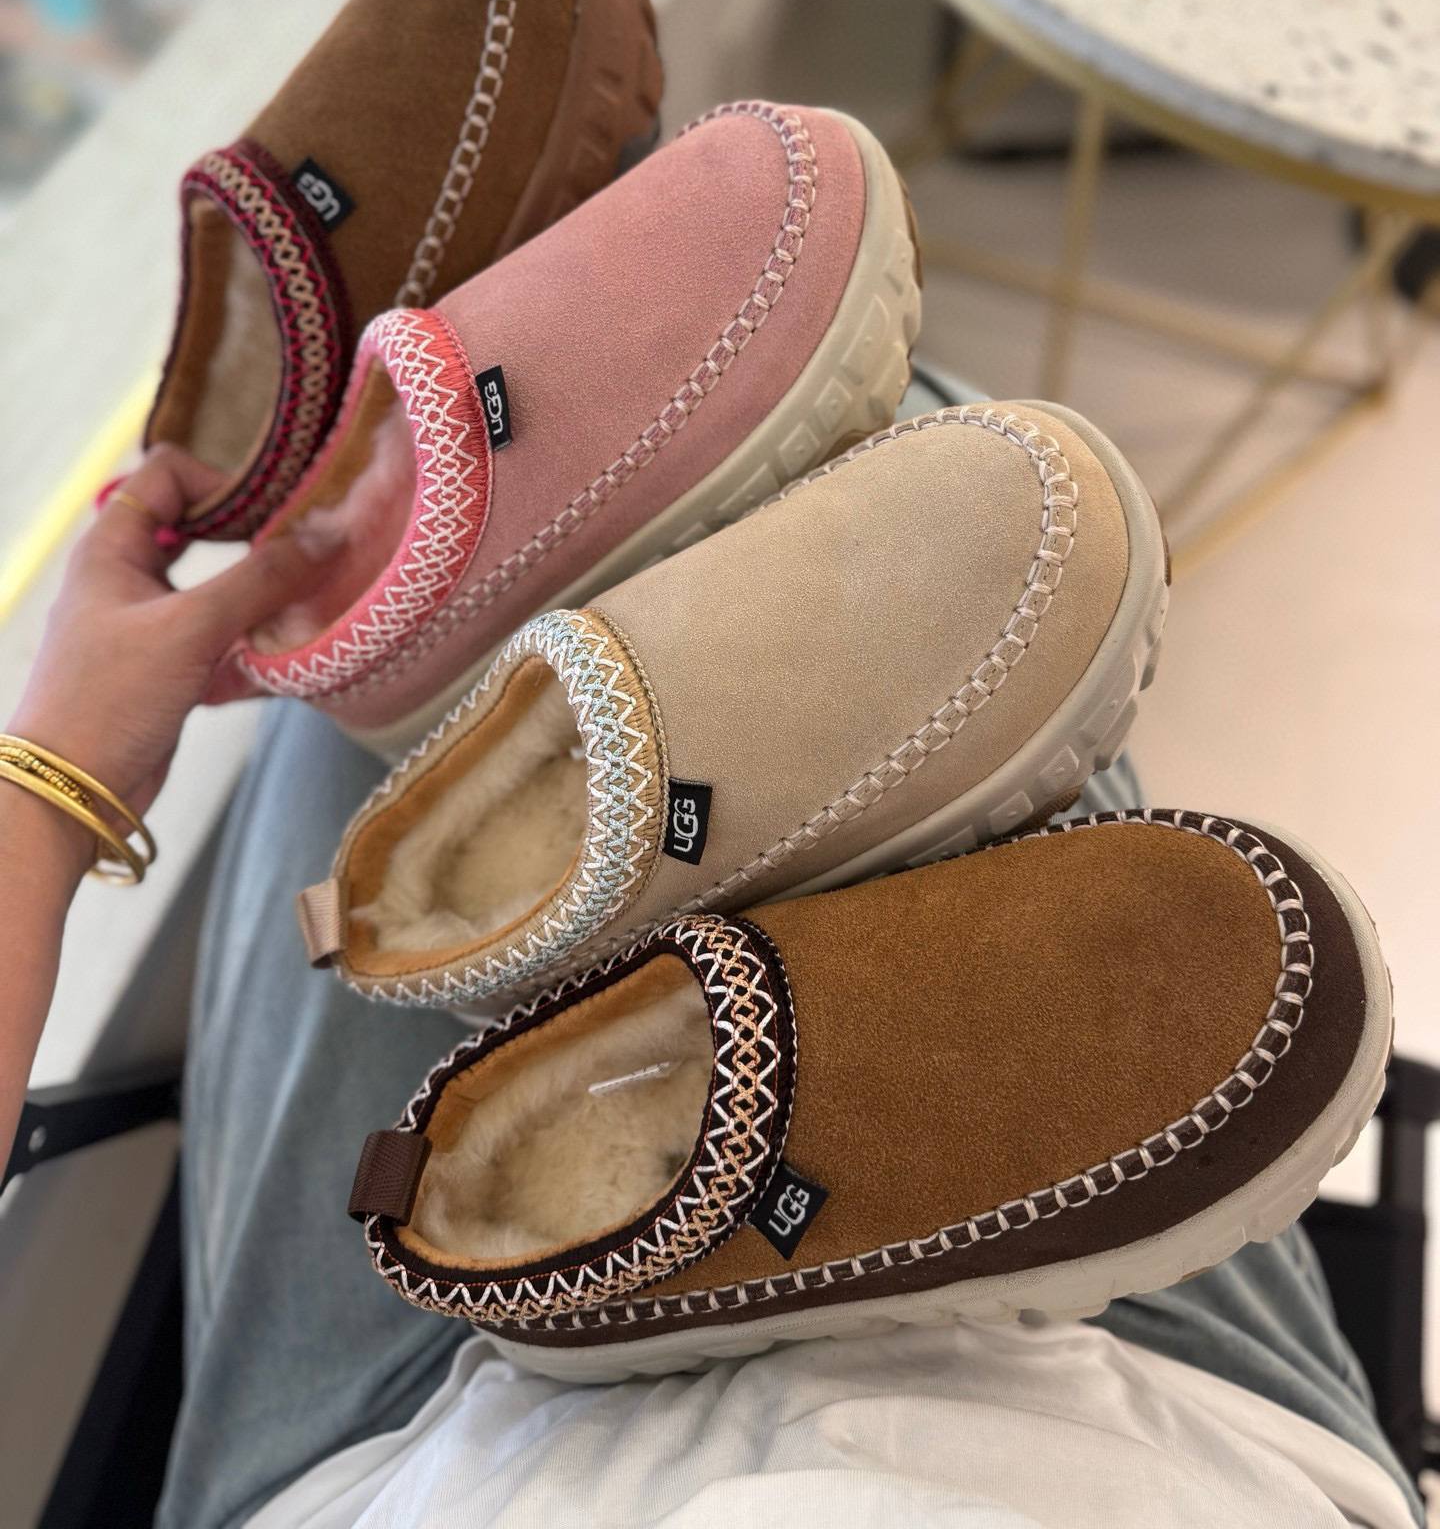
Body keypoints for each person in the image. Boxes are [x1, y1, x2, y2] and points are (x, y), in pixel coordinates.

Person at [0, 436, 1423, 1529]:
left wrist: (54, 781)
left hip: (395, 1481)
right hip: (1156, 1463)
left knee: (357, 692)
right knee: (915, 466)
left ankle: (480, 937)